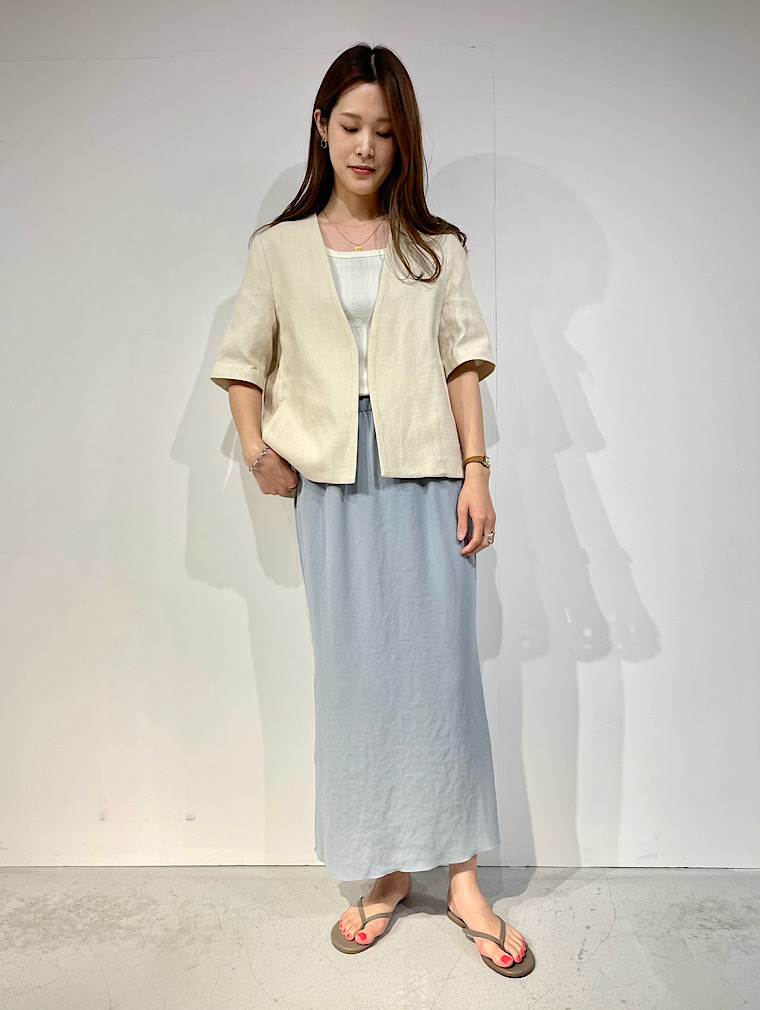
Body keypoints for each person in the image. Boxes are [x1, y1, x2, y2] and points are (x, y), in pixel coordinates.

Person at [210, 43, 534, 979]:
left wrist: (477, 471)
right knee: (358, 683)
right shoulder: (278, 248)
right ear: (321, 127)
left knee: (442, 678)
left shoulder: (437, 248)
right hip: (331, 483)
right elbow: (242, 359)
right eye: (350, 126)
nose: (365, 147)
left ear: (403, 142)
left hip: (428, 471)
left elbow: (462, 360)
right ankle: (387, 868)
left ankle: (462, 877)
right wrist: (258, 449)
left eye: (383, 132)